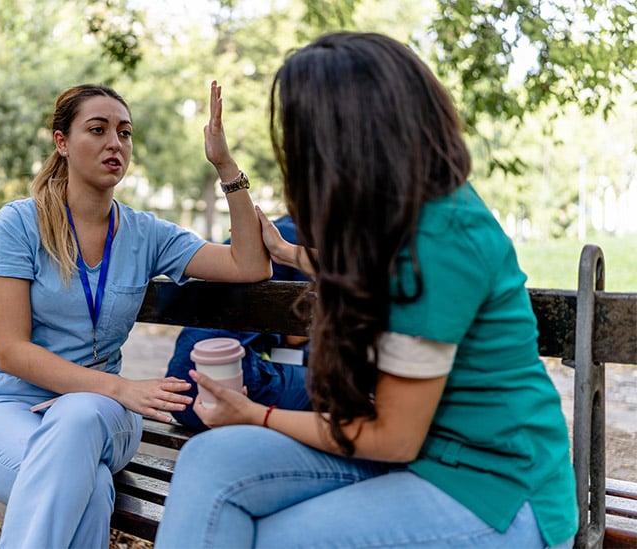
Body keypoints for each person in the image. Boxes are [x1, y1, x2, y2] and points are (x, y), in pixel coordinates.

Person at [155, 32, 578, 548]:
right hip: (418, 454)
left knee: (276, 539)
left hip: (493, 485)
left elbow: (393, 437)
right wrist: (290, 254)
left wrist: (255, 415)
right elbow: (378, 276)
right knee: (209, 460)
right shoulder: (405, 218)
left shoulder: (441, 240)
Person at [0, 81, 270, 548]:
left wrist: (226, 166)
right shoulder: (18, 223)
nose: (115, 143)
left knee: (81, 414)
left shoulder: (146, 233)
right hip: (9, 406)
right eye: (98, 129)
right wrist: (124, 388)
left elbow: (248, 264)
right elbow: (12, 352)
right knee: (91, 488)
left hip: (105, 416)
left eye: (124, 133)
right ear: (61, 142)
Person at [166, 214, 311, 431]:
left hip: (181, 395)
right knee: (323, 385)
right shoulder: (299, 240)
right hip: (228, 394)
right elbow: (297, 334)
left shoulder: (267, 233)